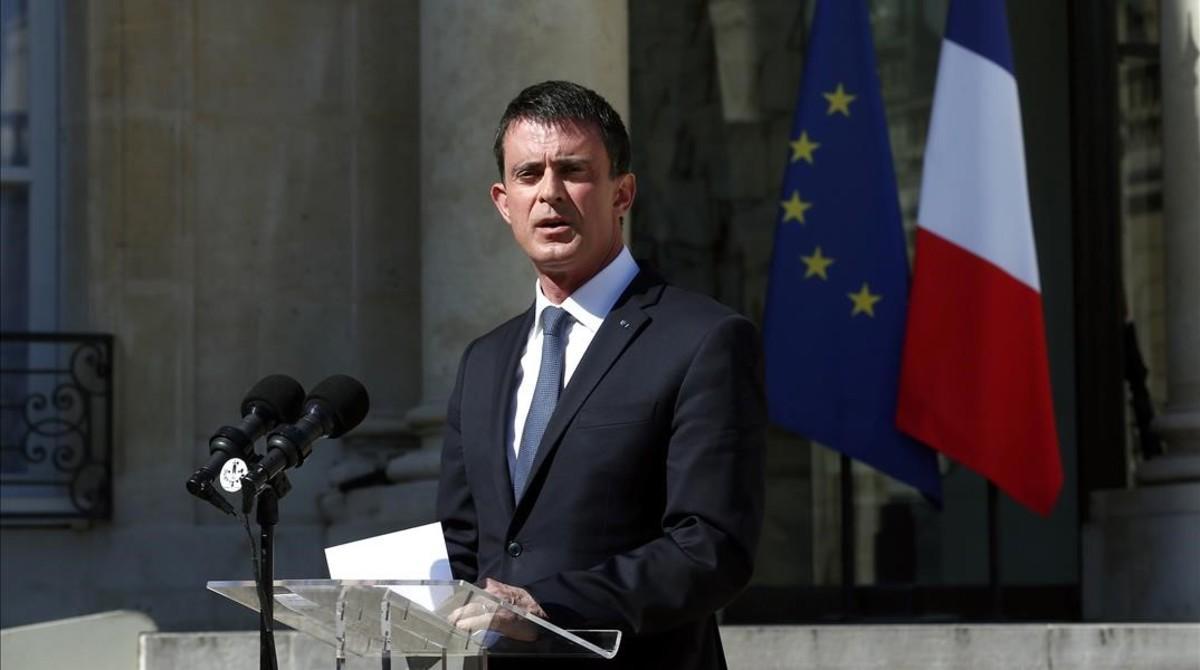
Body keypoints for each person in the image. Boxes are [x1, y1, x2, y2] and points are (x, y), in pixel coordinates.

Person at [437, 80, 766, 669]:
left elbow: (711, 547)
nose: (550, 194)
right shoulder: (484, 361)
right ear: (502, 200)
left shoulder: (702, 339)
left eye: (573, 170)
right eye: (529, 174)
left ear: (623, 192)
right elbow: (464, 547)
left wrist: (547, 606)